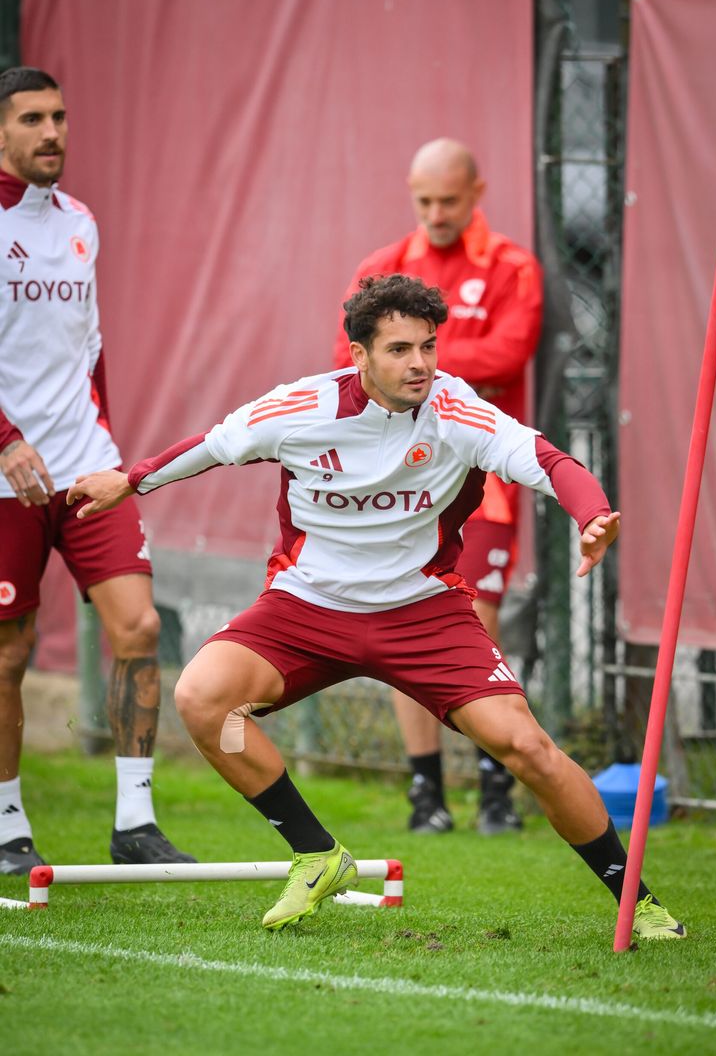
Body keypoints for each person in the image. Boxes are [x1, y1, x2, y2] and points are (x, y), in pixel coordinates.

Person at [68, 273, 684, 941]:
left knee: (529, 748)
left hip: (424, 612)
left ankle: (639, 904)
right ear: (358, 355)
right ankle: (316, 854)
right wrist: (130, 480)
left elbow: (550, 460)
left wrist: (592, 515)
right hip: (306, 609)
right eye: (399, 349)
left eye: (428, 346)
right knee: (202, 699)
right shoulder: (301, 407)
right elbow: (212, 447)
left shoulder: (459, 412)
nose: (420, 364)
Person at [0, 67, 195, 873]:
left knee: (139, 627)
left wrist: (104, 440)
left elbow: (91, 348)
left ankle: (135, 825)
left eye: (60, 117)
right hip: (6, 476)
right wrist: (6, 440)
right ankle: (7, 827)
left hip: (86, 465)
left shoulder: (81, 221)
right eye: (32, 119)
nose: (53, 132)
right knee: (9, 653)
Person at [334, 138, 542, 834]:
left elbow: (512, 352)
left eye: (448, 200)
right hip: (399, 476)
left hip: (485, 481)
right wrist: (448, 365)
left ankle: (494, 786)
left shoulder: (513, 266)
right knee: (402, 617)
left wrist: (410, 363)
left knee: (479, 620)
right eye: (423, 200)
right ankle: (427, 793)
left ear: (476, 193)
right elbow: (347, 359)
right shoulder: (383, 266)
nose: (436, 213)